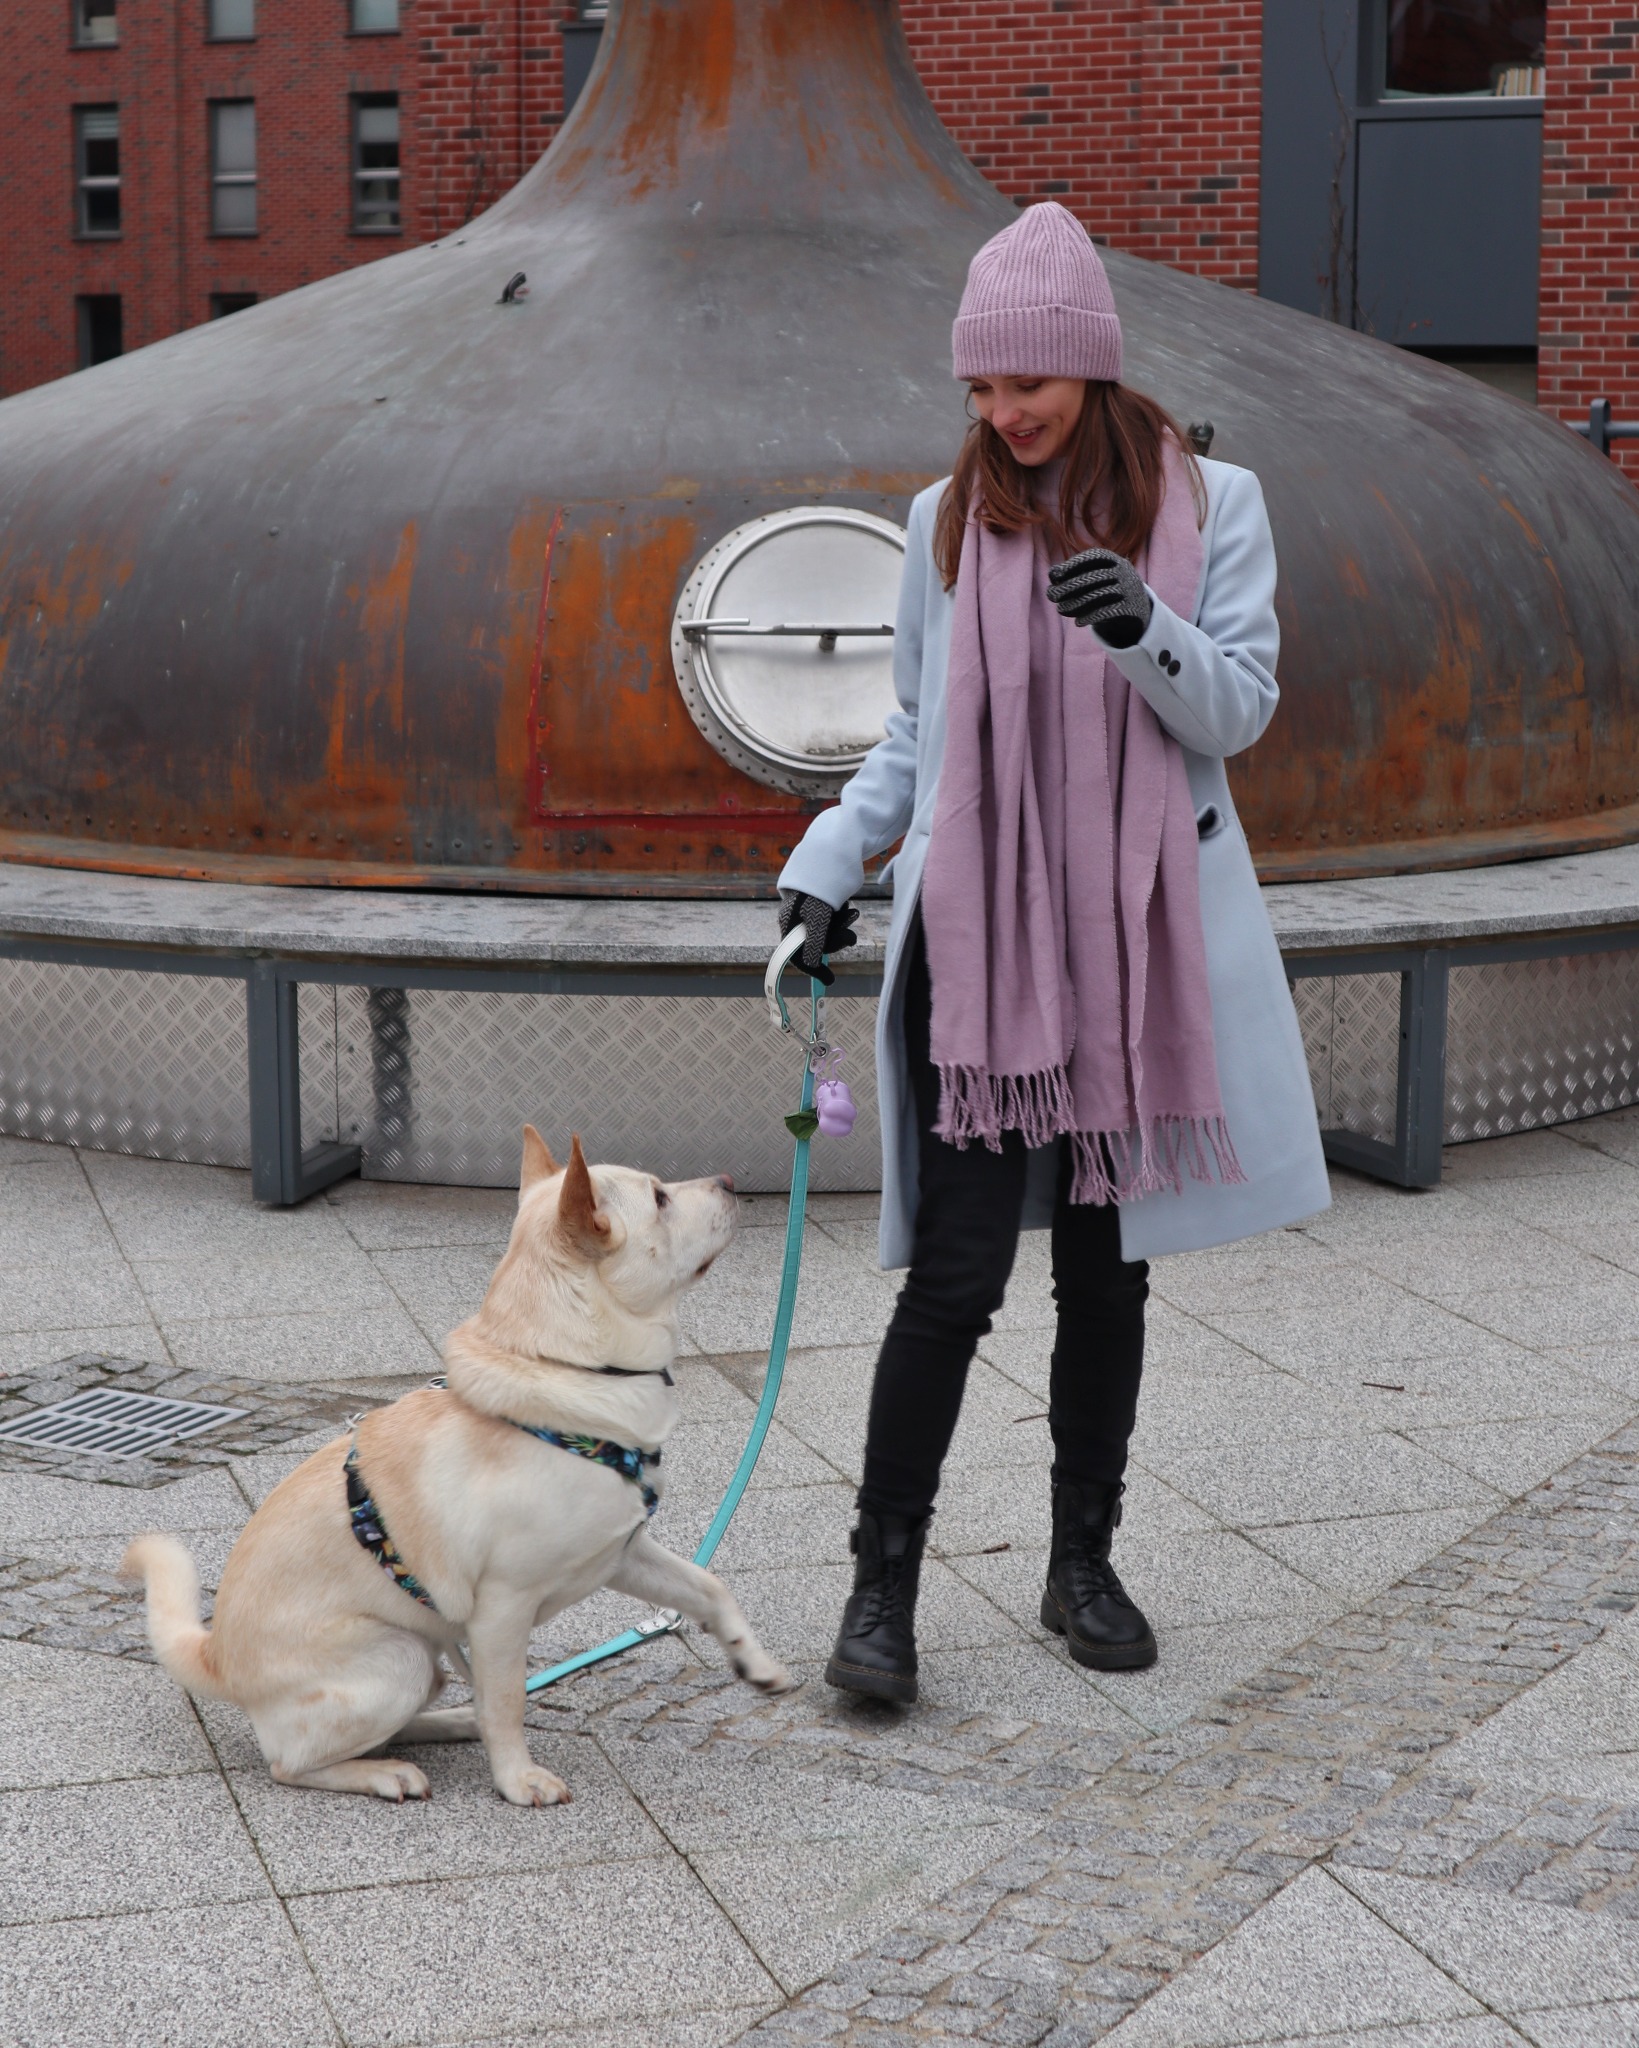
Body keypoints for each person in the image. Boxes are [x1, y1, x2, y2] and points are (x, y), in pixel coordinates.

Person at [775, 202, 1330, 1705]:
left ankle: (1081, 1562)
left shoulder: (1218, 502)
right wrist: (831, 865)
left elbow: (1238, 713)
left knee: (1108, 1277)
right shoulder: (944, 520)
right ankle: (878, 1592)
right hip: (984, 937)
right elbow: (915, 730)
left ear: (1088, 365)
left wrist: (1143, 622)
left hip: (1132, 945)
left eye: (1026, 382)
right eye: (978, 386)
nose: (1002, 412)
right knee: (951, 1281)